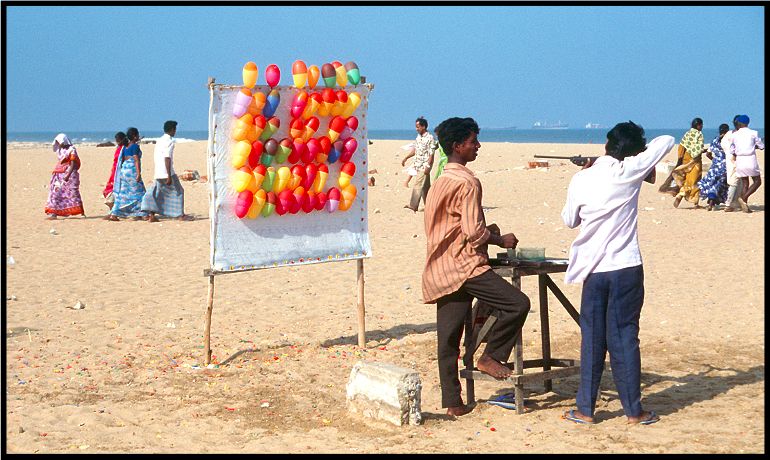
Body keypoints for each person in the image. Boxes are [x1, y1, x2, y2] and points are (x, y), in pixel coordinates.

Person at [560, 121, 674, 426]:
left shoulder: (581, 178)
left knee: (592, 338)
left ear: (607, 145)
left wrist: (592, 166)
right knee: (624, 337)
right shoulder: (630, 170)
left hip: (594, 270)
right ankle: (633, 411)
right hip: (625, 267)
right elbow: (666, 139)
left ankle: (585, 409)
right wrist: (632, 158)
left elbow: (569, 219)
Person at [422, 117, 531, 417]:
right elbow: (473, 232)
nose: (478, 146)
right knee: (517, 304)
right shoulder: (468, 182)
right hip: (466, 266)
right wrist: (498, 237)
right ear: (458, 147)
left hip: (441, 268)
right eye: (473, 141)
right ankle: (492, 355)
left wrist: (485, 230)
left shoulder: (440, 181)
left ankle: (453, 404)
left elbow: (453, 225)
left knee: (448, 339)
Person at [140, 120, 194, 222]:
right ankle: (180, 214)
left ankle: (151, 214)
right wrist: (169, 175)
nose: (175, 131)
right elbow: (167, 158)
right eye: (175, 129)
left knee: (157, 191)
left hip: (158, 171)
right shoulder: (170, 141)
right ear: (172, 130)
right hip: (166, 171)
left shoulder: (160, 140)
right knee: (179, 191)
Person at [107, 127, 147, 221]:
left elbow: (124, 159)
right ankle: (144, 213)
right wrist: (138, 173)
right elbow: (136, 160)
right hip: (131, 171)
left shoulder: (125, 147)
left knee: (123, 194)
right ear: (134, 136)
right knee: (140, 193)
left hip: (124, 171)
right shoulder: (135, 147)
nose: (138, 136)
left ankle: (114, 214)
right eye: (137, 134)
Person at [402, 116, 438, 211]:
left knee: (418, 185)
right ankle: (430, 205)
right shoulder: (418, 137)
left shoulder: (430, 138)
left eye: (418, 127)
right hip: (417, 165)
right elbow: (415, 150)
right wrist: (406, 157)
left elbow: (431, 154)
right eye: (416, 126)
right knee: (425, 188)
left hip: (424, 165)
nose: (416, 129)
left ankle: (413, 205)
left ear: (424, 127)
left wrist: (428, 166)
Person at [45, 133, 85, 219]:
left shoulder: (71, 149)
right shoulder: (60, 150)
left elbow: (72, 164)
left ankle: (81, 212)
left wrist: (67, 175)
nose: (59, 144)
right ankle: (54, 213)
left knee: (73, 193)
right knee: (56, 193)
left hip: (70, 175)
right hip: (59, 175)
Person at [729, 114, 764, 212]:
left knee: (745, 183)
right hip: (750, 159)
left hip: (740, 160)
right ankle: (743, 198)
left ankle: (745, 206)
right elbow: (761, 146)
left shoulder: (734, 135)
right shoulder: (753, 133)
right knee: (757, 181)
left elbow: (732, 149)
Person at [672, 118, 707, 208]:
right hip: (695, 161)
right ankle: (681, 195)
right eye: (701, 125)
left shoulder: (688, 134)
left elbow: (681, 147)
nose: (702, 126)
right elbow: (697, 149)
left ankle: (695, 202)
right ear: (698, 125)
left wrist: (680, 159)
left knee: (689, 179)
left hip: (686, 159)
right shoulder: (699, 134)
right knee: (695, 181)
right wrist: (704, 150)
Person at [696, 124, 730, 211]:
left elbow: (708, 153)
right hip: (726, 166)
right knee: (720, 185)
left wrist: (714, 160)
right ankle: (712, 203)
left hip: (715, 166)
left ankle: (711, 202)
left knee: (712, 184)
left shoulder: (715, 140)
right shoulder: (729, 140)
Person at [722, 116, 745, 212]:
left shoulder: (728, 134)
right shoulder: (739, 134)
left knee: (737, 182)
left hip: (729, 159)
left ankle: (735, 202)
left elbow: (723, 145)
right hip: (735, 160)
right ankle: (729, 204)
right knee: (734, 182)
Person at [103, 132, 128, 209]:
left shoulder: (124, 148)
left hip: (120, 170)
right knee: (111, 186)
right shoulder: (118, 148)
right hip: (114, 170)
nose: (117, 141)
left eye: (118, 140)